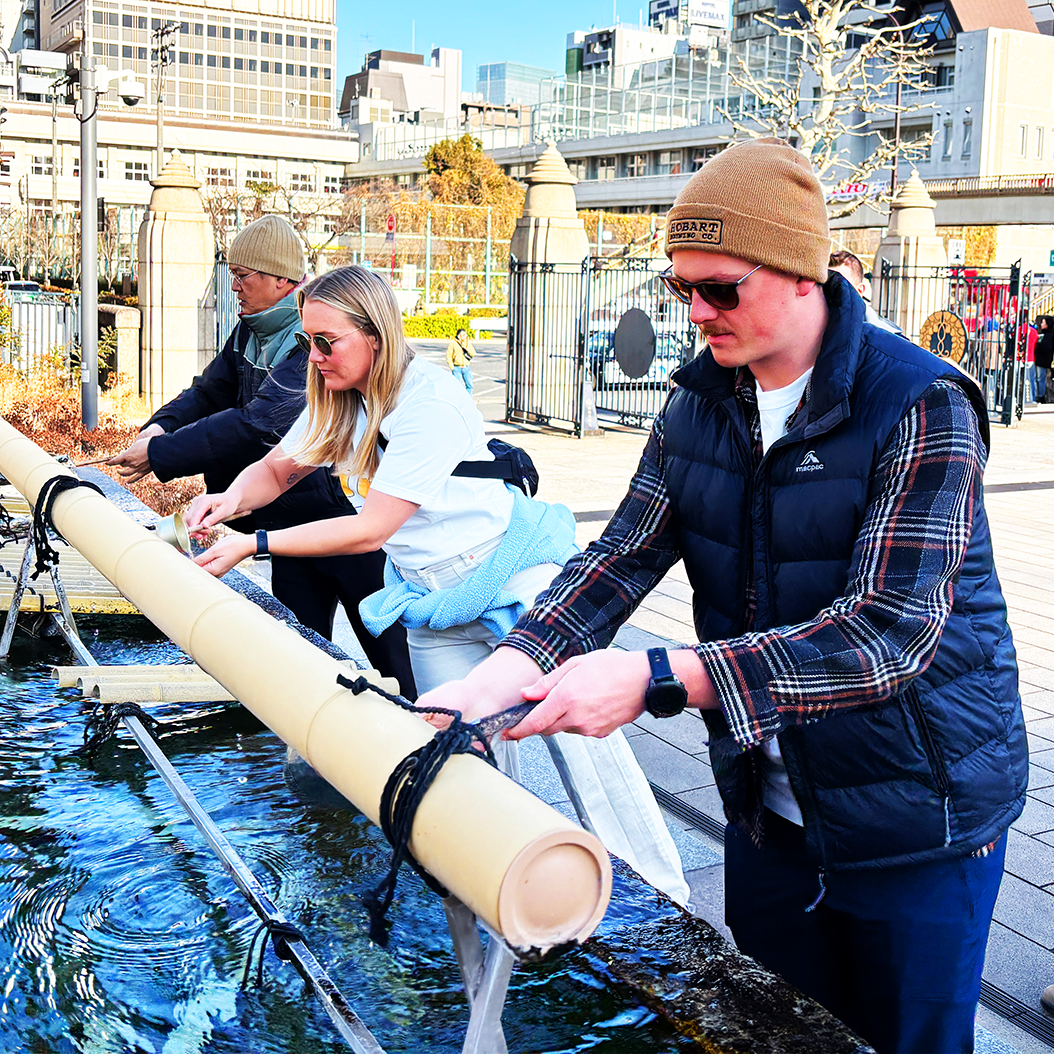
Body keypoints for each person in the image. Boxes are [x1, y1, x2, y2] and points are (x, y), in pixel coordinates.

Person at [419, 139, 1027, 1054]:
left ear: (800, 271)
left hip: (921, 815)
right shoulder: (695, 404)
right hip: (766, 808)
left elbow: (887, 635)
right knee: (772, 1035)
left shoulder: (921, 401)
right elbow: (618, 559)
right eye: (681, 289)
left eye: (721, 289)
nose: (697, 312)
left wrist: (658, 678)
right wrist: (492, 679)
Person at [183, 264, 693, 906]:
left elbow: (371, 529)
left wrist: (253, 543)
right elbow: (278, 469)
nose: (313, 357)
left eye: (326, 342)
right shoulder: (341, 398)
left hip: (514, 587)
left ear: (375, 334)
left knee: (587, 752)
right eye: (308, 341)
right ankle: (503, 904)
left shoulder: (427, 400)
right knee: (458, 765)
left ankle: (667, 901)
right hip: (433, 602)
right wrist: (227, 503)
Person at [108, 216, 414, 696]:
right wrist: (161, 429)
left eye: (242, 275)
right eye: (231, 274)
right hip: (289, 524)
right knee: (303, 663)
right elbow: (221, 405)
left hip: (345, 522)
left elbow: (258, 425)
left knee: (397, 661)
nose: (314, 358)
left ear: (281, 279)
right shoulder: (257, 336)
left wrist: (162, 455)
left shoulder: (313, 352)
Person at [828, 249, 902, 334]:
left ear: (860, 290)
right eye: (825, 284)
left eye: (840, 285)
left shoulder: (885, 336)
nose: (830, 290)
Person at [446, 327, 475, 393]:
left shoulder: (467, 343)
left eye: (465, 335)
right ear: (459, 336)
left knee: (469, 385)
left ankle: (468, 398)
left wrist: (467, 348)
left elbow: (473, 353)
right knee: (458, 386)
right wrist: (452, 367)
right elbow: (449, 355)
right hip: (457, 367)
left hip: (466, 367)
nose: (465, 336)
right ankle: (459, 398)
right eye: (463, 335)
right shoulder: (453, 344)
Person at [1036, 315, 1053, 403]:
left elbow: (1047, 347)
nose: (1041, 324)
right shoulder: (1041, 334)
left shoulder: (1048, 336)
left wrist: (1038, 347)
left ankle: (1041, 396)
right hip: (1040, 359)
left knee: (1040, 378)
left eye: (1043, 322)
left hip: (1043, 360)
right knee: (1039, 378)